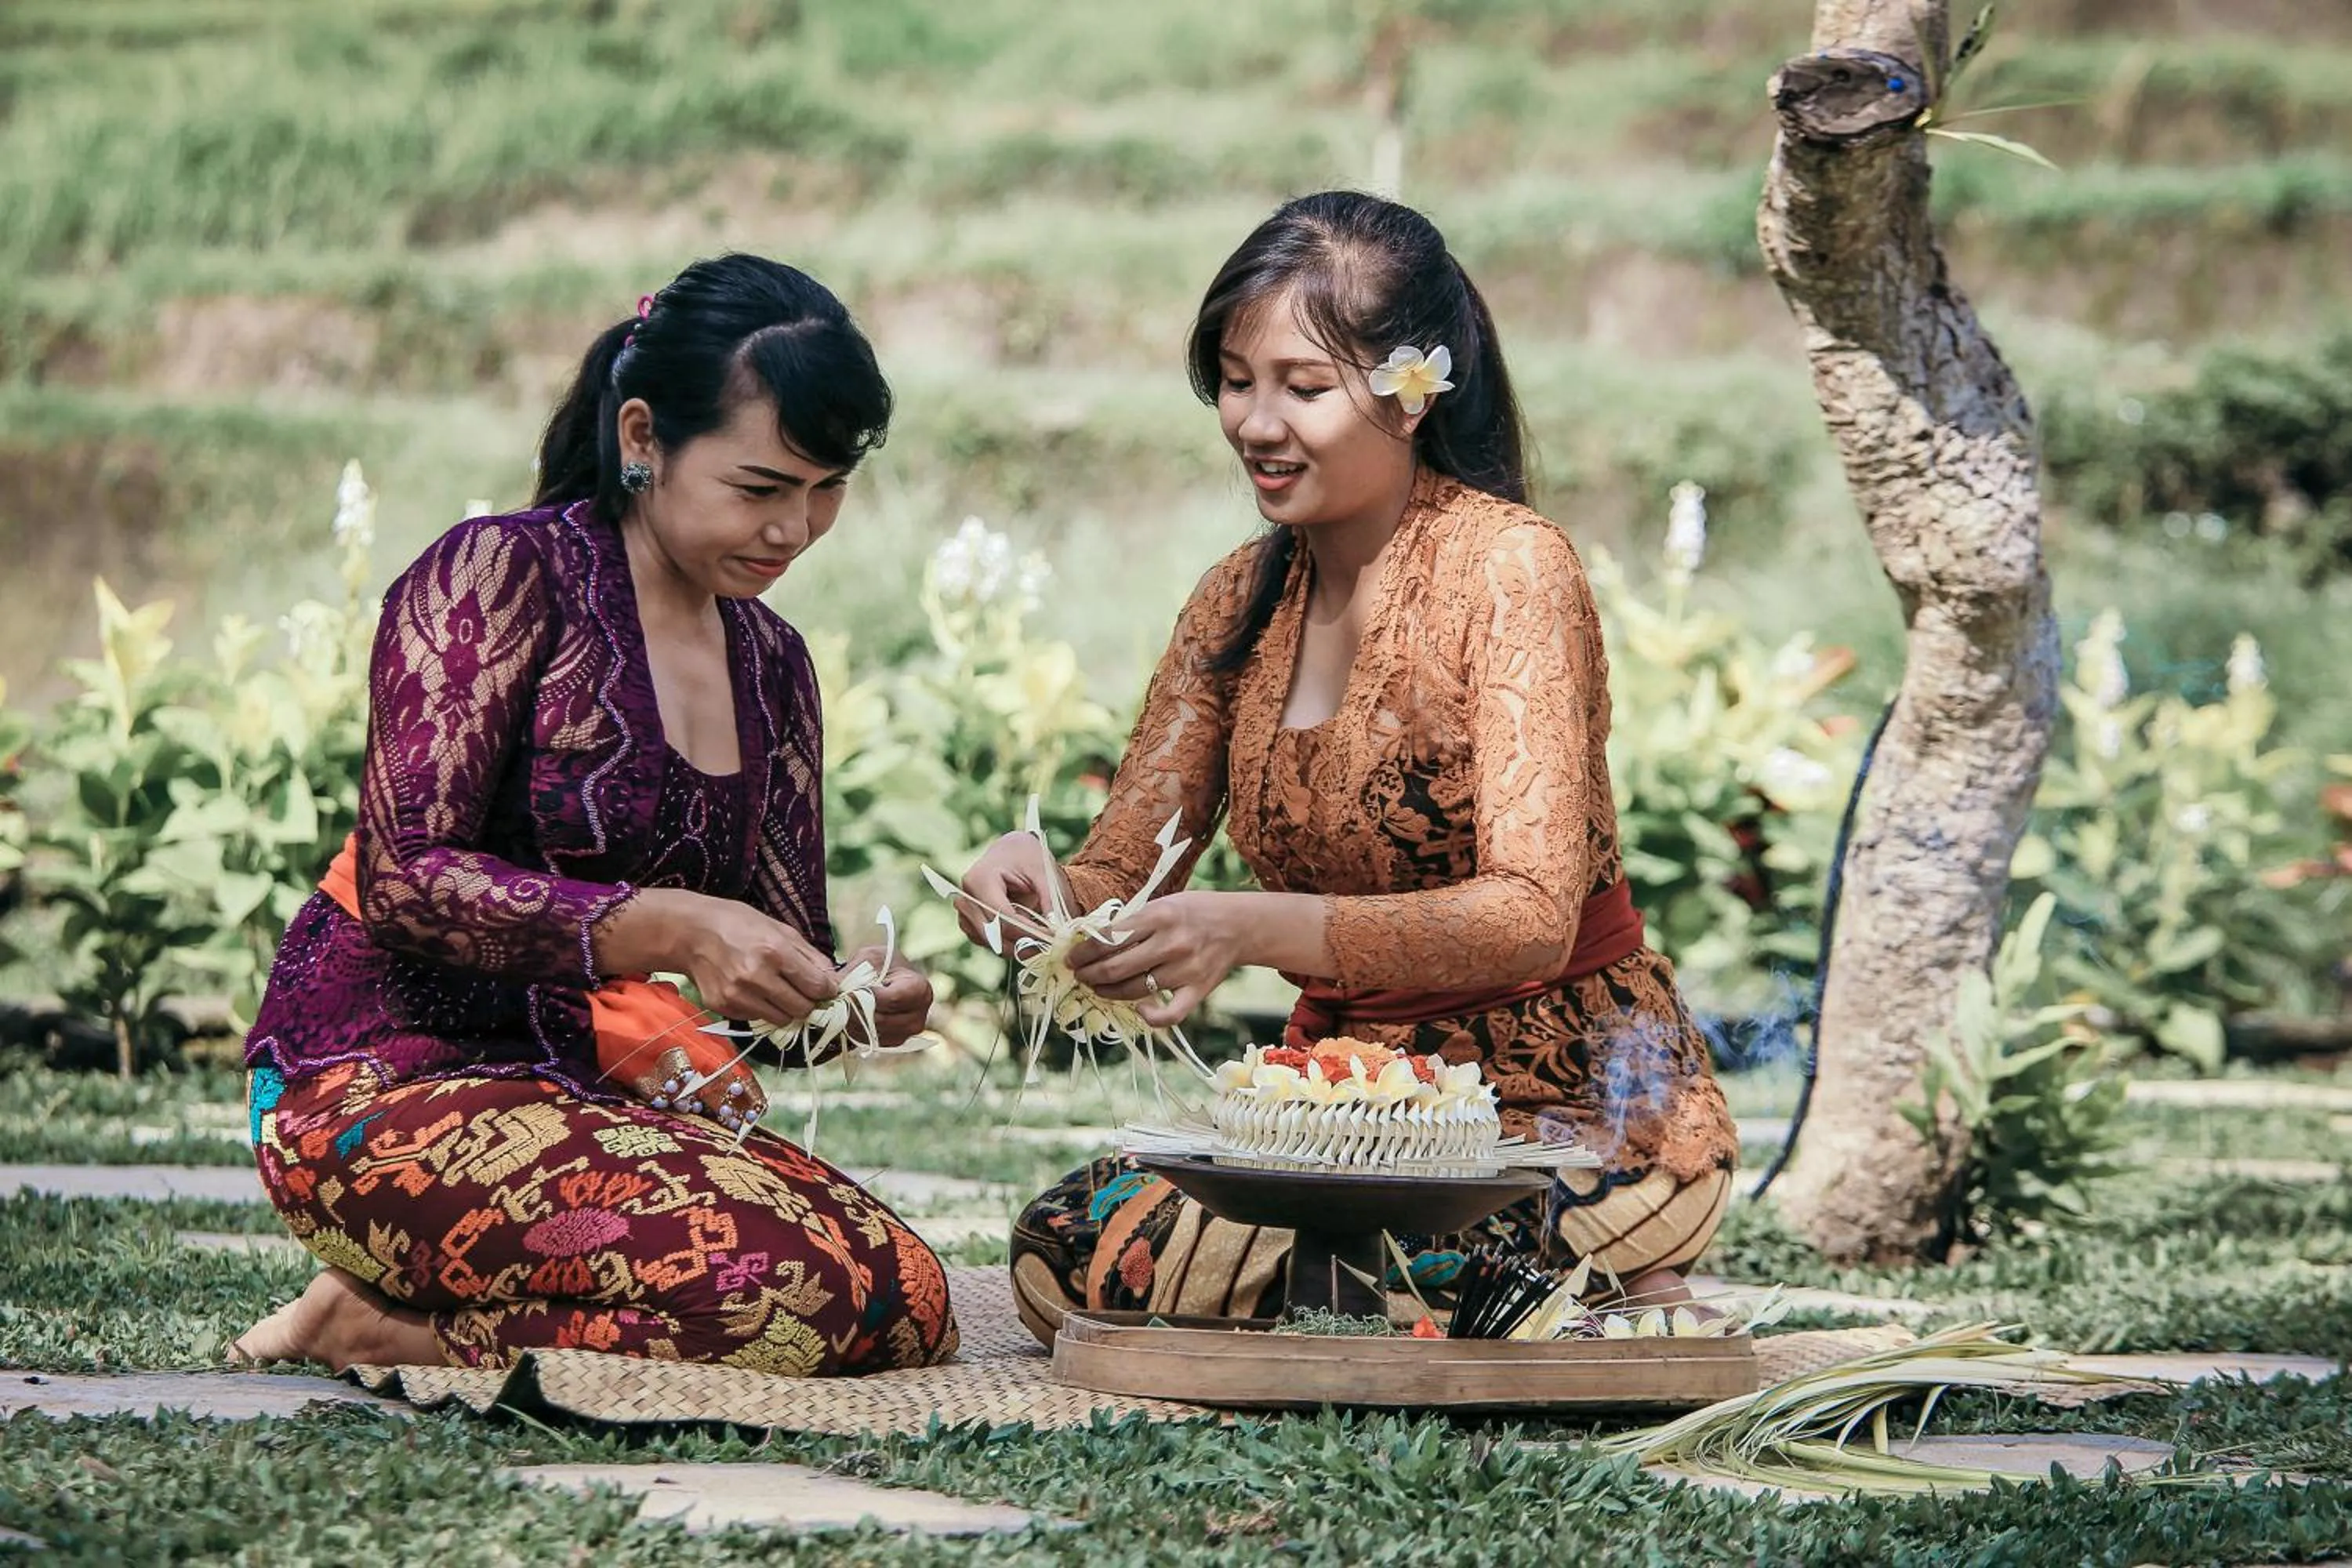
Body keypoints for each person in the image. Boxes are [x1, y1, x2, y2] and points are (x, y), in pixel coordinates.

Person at [961, 194, 1740, 1344]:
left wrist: (1257, 927)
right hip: (1338, 1121)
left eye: (1304, 388)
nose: (1256, 424)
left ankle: (1574, 1272)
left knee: (1383, 1257)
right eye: (1235, 380)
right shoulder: (1241, 595)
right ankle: (1561, 1303)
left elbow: (1531, 914)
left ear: (1414, 392)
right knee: (1070, 1248)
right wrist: (1040, 890)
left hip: (1576, 1102)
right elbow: (1127, 866)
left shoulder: (1511, 570)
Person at [230, 254, 956, 1376]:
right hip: (379, 1081)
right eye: (761, 488)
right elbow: (405, 877)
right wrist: (669, 925)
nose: (797, 529)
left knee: (901, 1297)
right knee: (790, 1299)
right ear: (640, 436)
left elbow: (770, 973)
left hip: (591, 1087)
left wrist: (851, 999)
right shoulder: (501, 576)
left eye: (827, 489)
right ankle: (375, 1324)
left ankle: (400, 1321)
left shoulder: (773, 665)